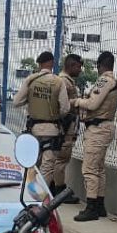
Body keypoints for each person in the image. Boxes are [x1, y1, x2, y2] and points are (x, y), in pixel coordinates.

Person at [11, 51, 72, 188]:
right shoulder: (59, 81)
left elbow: (16, 102)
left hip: (34, 129)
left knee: (32, 163)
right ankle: (41, 196)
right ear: (52, 63)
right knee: (47, 166)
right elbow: (65, 108)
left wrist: (30, 100)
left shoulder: (31, 80)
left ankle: (28, 190)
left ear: (39, 64)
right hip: (52, 130)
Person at [73, 51, 117, 222]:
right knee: (99, 168)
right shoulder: (112, 81)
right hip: (104, 127)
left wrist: (77, 102)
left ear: (100, 65)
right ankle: (99, 205)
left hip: (98, 128)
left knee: (90, 169)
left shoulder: (104, 80)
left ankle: (91, 207)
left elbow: (93, 104)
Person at [53, 54, 83, 204]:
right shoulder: (64, 81)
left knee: (60, 157)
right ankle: (59, 189)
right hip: (65, 125)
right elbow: (62, 104)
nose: (80, 70)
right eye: (78, 66)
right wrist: (79, 102)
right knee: (62, 157)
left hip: (65, 124)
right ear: (71, 66)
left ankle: (55, 187)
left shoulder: (64, 80)